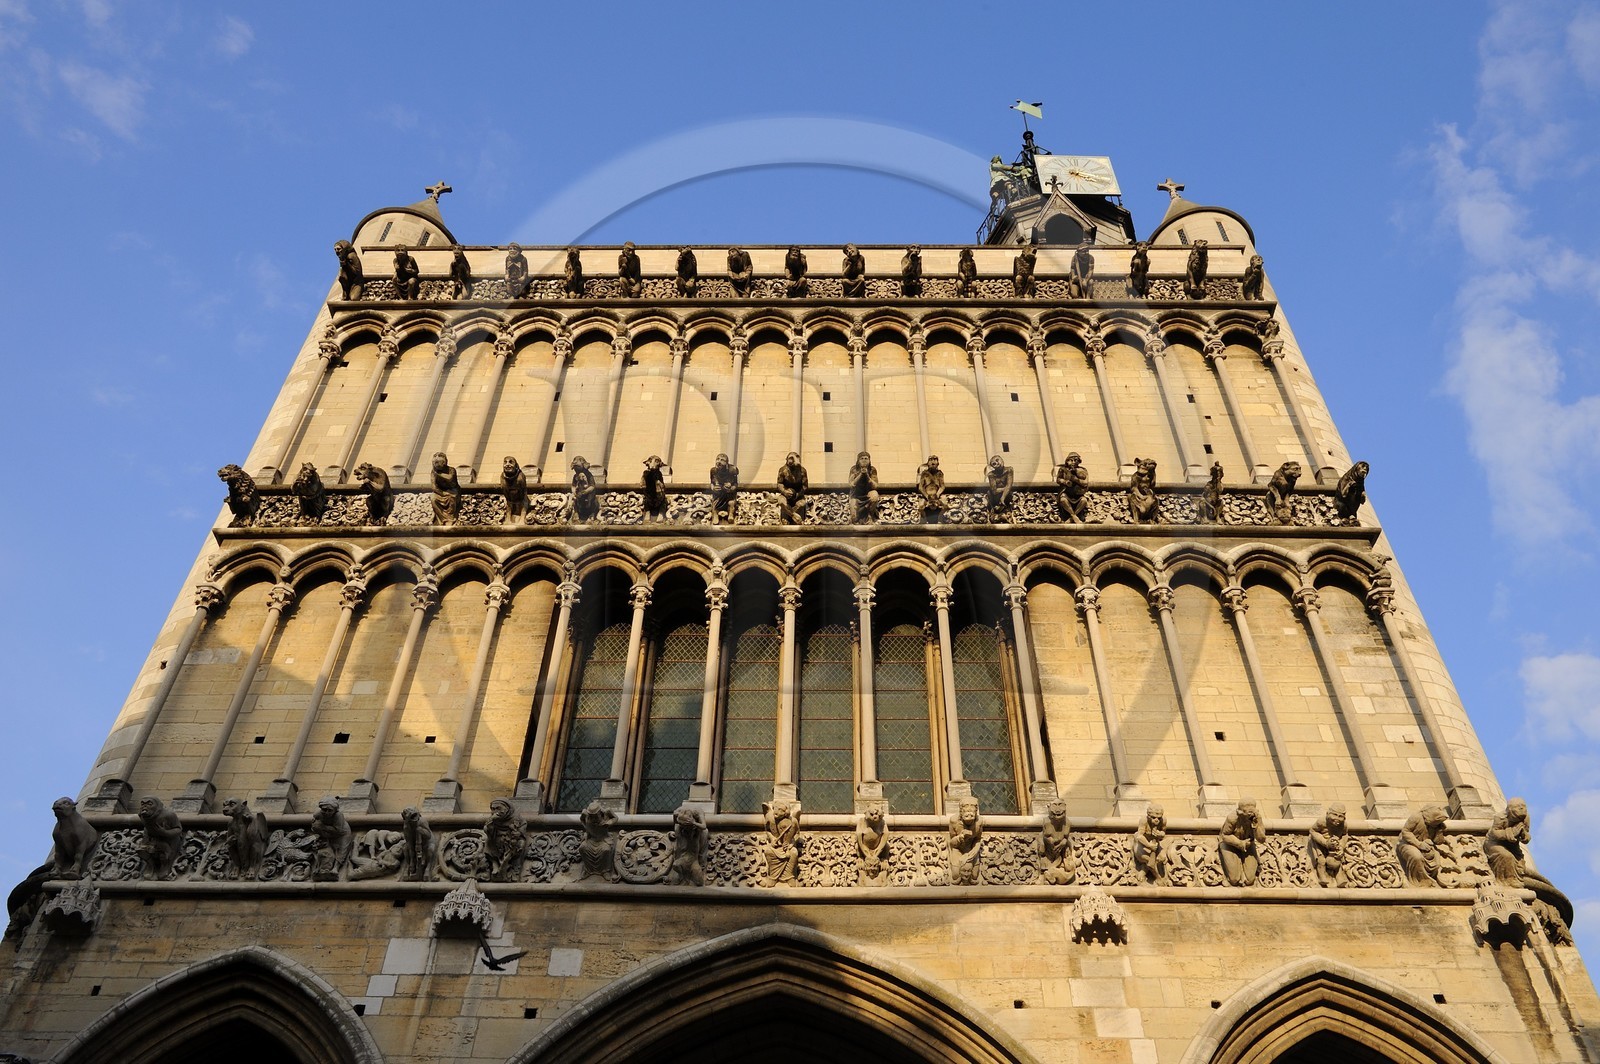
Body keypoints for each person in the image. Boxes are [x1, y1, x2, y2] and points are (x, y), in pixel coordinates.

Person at [776, 451, 809, 524]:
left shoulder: (802, 471)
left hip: (798, 494)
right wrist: (784, 492)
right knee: (781, 502)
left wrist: (797, 494)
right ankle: (793, 515)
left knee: (801, 504)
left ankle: (790, 516)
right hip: (786, 494)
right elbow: (779, 483)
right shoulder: (783, 470)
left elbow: (805, 486)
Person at [849, 451, 880, 522]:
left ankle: (870, 515)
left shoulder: (872, 470)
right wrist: (861, 474)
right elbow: (851, 484)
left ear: (869, 460)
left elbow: (875, 486)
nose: (864, 460)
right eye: (862, 458)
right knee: (854, 518)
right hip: (856, 495)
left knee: (874, 495)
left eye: (866, 458)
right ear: (858, 461)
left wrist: (866, 475)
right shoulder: (854, 469)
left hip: (868, 494)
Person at [917, 455, 946, 520]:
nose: (932, 463)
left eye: (935, 460)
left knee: (945, 505)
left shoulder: (939, 473)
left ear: (937, 464)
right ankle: (924, 520)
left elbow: (942, 486)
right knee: (920, 506)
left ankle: (940, 519)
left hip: (936, 496)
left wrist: (938, 494)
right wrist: (926, 496)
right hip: (927, 495)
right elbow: (921, 487)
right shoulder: (924, 473)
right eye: (930, 460)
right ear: (928, 463)